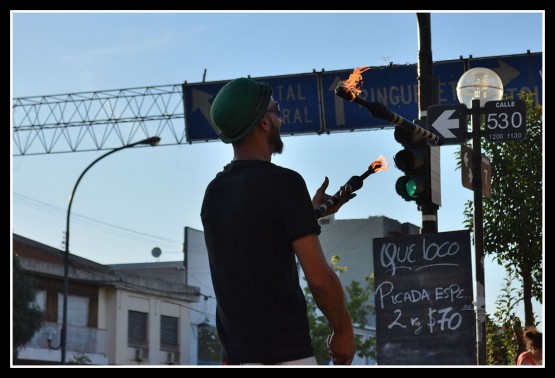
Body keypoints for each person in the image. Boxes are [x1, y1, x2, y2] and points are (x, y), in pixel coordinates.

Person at [201, 77, 355, 365]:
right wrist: (342, 329)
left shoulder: (215, 192)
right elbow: (319, 279)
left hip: (234, 358)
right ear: (263, 123)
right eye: (277, 111)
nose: (281, 119)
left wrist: (306, 215)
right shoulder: (285, 184)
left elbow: (256, 240)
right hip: (285, 357)